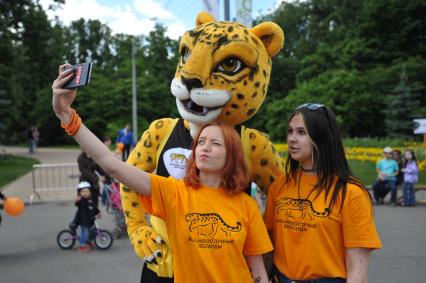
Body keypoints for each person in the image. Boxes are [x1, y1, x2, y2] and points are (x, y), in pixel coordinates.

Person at [52, 64, 272, 282]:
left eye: (216, 143)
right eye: (201, 142)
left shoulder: (246, 205)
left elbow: (257, 269)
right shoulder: (175, 193)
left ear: (231, 155)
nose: (205, 146)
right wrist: (67, 117)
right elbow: (112, 164)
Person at [264, 103, 382, 282]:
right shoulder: (280, 186)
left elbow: (357, 269)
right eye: (290, 131)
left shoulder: (351, 192)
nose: (292, 139)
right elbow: (269, 244)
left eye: (302, 132)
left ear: (323, 137)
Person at [74, 181, 100, 252]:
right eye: (83, 191)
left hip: (90, 220)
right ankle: (82, 245)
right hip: (83, 220)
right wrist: (77, 200)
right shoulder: (81, 201)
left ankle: (88, 242)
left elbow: (94, 207)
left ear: (90, 192)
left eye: (87, 191)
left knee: (94, 231)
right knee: (85, 232)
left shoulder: (91, 200)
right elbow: (77, 204)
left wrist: (98, 212)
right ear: (80, 193)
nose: (85, 193)